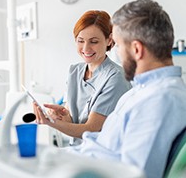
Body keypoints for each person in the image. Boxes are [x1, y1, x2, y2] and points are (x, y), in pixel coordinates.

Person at [60, 0, 186, 178]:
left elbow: (135, 173)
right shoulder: (140, 92)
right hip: (79, 160)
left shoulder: (160, 100)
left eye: (119, 46)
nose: (117, 54)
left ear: (137, 49)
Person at [34, 10, 131, 146]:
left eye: (94, 42)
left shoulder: (116, 77)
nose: (86, 48)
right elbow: (72, 119)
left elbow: (90, 129)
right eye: (80, 41)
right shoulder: (75, 71)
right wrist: (62, 115)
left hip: (102, 154)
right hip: (78, 150)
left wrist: (52, 123)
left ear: (109, 40)